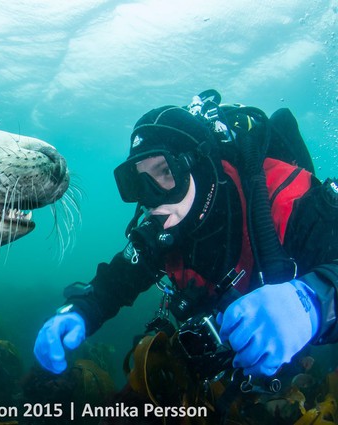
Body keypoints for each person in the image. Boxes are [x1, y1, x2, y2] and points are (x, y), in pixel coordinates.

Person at [34, 91, 338, 380]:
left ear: (200, 166)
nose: (152, 198)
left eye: (165, 172)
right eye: (138, 182)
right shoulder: (165, 227)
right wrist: (80, 312)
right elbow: (118, 280)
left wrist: (314, 299)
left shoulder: (285, 198)